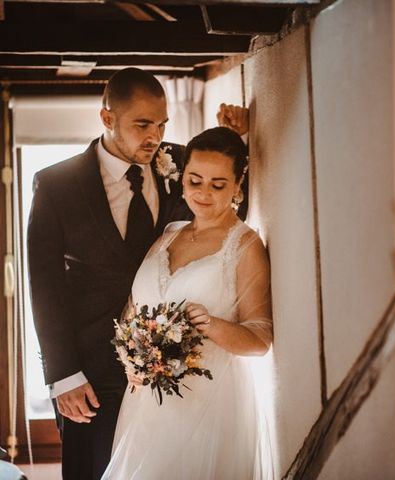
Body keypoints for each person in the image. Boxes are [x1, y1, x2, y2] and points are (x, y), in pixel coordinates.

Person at [27, 67, 248, 480]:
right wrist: (62, 375)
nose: (155, 136)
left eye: (162, 123)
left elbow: (226, 212)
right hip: (88, 368)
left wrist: (240, 143)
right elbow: (44, 286)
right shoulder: (56, 185)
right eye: (142, 124)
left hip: (167, 366)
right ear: (108, 119)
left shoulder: (181, 163)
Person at [101, 127, 273, 479]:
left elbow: (261, 338)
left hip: (210, 403)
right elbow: (134, 311)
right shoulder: (167, 235)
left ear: (238, 184)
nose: (203, 193)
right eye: (195, 180)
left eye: (218, 184)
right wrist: (131, 358)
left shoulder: (245, 246)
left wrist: (211, 324)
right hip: (148, 404)